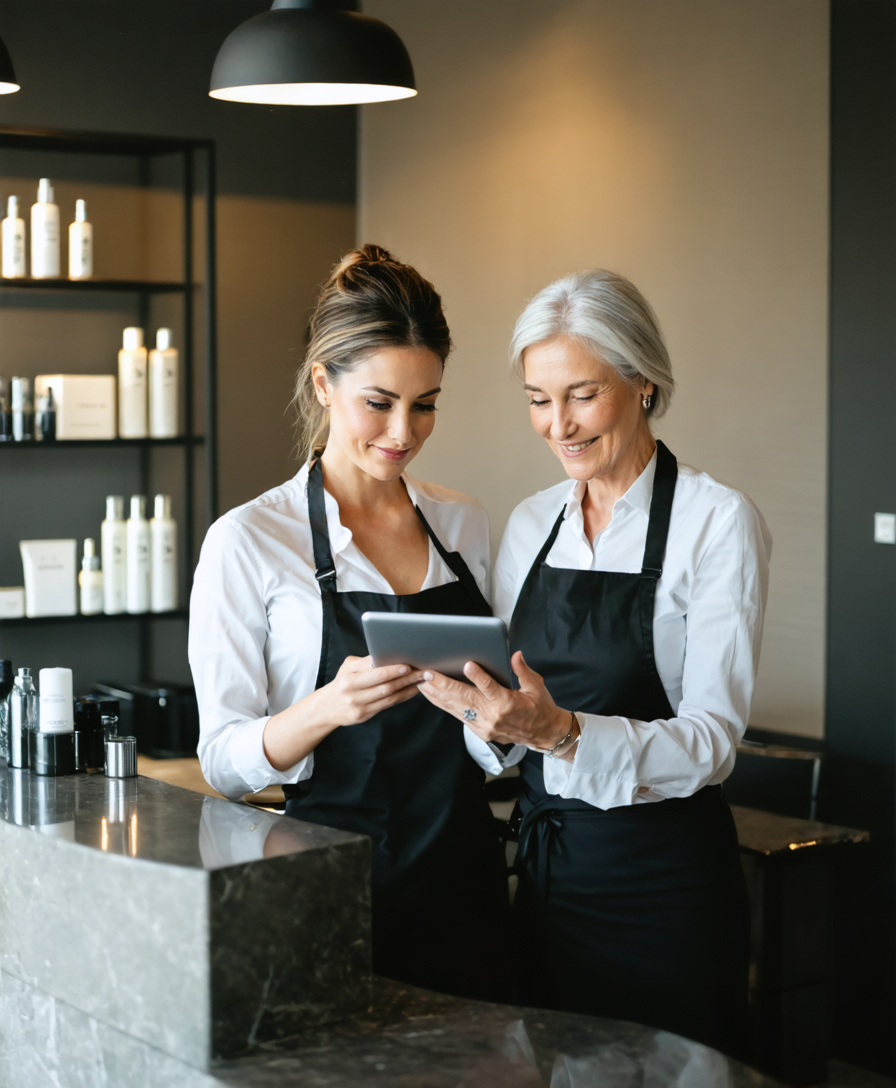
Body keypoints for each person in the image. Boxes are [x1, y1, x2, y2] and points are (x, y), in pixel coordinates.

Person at [417, 268, 771, 1053]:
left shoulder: (717, 523)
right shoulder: (535, 522)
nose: (558, 425)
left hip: (665, 886)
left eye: (582, 393)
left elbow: (712, 741)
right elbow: (508, 712)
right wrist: (486, 719)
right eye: (539, 400)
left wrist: (565, 734)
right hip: (549, 875)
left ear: (643, 382)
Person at [189, 245, 511, 1001]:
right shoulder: (250, 540)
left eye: (425, 403)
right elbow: (224, 761)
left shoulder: (464, 524)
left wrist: (499, 722)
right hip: (327, 886)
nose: (404, 431)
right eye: (380, 402)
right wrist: (326, 707)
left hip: (464, 882)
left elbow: (486, 733)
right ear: (322, 384)